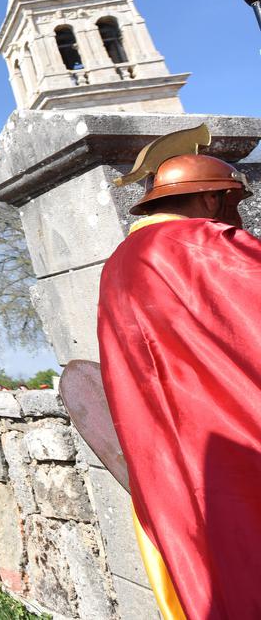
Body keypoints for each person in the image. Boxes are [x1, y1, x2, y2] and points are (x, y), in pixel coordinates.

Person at [97, 127, 261, 618]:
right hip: (237, 440)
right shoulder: (204, 244)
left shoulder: (118, 265)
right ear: (211, 198)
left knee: (209, 570)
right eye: (227, 201)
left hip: (168, 461)